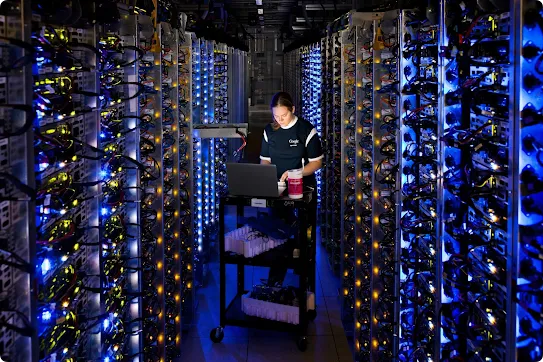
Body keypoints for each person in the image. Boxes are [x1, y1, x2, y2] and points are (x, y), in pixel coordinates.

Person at [259, 91, 323, 286]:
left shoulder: (306, 130)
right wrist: (267, 176)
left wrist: (297, 172)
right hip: (278, 188)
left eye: (283, 116)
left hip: (304, 188)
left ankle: (305, 279)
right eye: (276, 116)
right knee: (277, 232)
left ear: (293, 110)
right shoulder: (270, 131)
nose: (280, 120)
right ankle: (275, 281)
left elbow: (317, 163)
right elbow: (265, 160)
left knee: (306, 233)